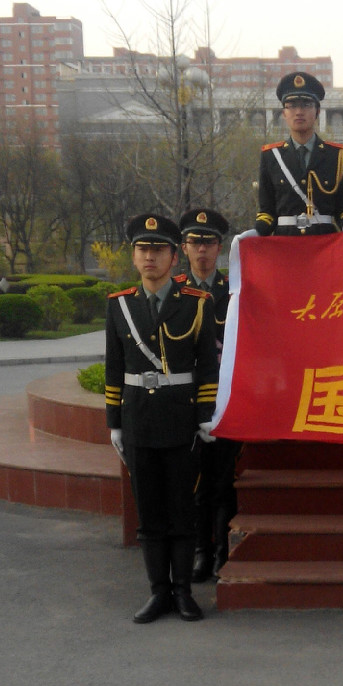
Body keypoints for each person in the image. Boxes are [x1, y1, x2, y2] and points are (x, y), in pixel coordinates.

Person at [105, 213, 219, 624]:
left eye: (157, 250)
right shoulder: (119, 306)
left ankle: (184, 592)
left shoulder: (197, 304)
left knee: (181, 509)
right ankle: (158, 592)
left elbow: (207, 366)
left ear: (175, 257)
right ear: (134, 257)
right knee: (149, 512)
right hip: (138, 421)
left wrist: (205, 415)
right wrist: (114, 421)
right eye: (142, 249)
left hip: (181, 422)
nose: (149, 257)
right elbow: (114, 368)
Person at [178, 207, 238, 581]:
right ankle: (200, 550)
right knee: (194, 481)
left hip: (226, 399)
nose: (202, 250)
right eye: (195, 242)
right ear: (184, 248)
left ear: (220, 247)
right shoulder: (176, 290)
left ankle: (221, 552)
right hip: (186, 401)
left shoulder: (234, 290)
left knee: (223, 479)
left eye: (209, 242)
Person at [255, 71, 343, 236]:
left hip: (323, 243)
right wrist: (256, 232)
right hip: (285, 245)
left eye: (306, 105)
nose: (299, 112)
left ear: (317, 111)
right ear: (284, 113)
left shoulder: (337, 156)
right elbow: (267, 212)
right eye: (292, 105)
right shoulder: (271, 156)